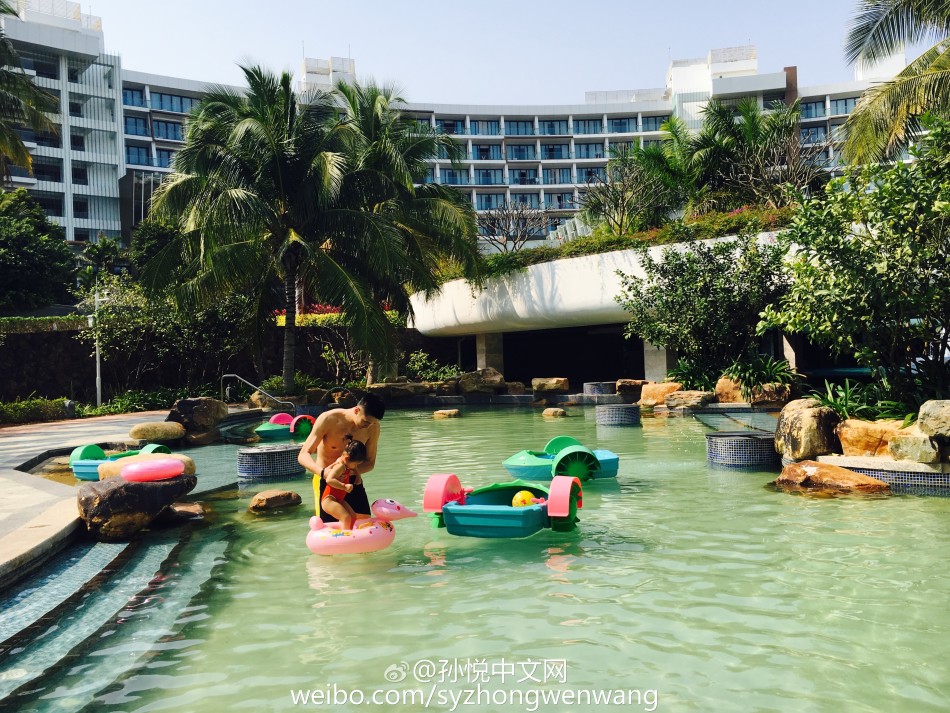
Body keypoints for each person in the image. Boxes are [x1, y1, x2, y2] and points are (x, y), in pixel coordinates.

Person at [297, 393, 386, 519]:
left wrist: (347, 472)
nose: (368, 426)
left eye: (373, 423)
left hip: (352, 481)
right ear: (357, 410)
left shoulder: (373, 427)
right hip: (326, 479)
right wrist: (323, 472)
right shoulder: (329, 419)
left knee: (364, 524)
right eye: (366, 422)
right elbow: (303, 455)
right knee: (328, 527)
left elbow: (370, 463)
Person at [319, 436, 367, 531]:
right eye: (355, 464)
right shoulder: (340, 466)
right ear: (347, 458)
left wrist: (358, 476)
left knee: (352, 516)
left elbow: (354, 468)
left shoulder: (346, 464)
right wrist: (344, 486)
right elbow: (329, 480)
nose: (355, 466)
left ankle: (349, 532)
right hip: (329, 499)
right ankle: (346, 536)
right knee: (346, 518)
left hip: (338, 499)